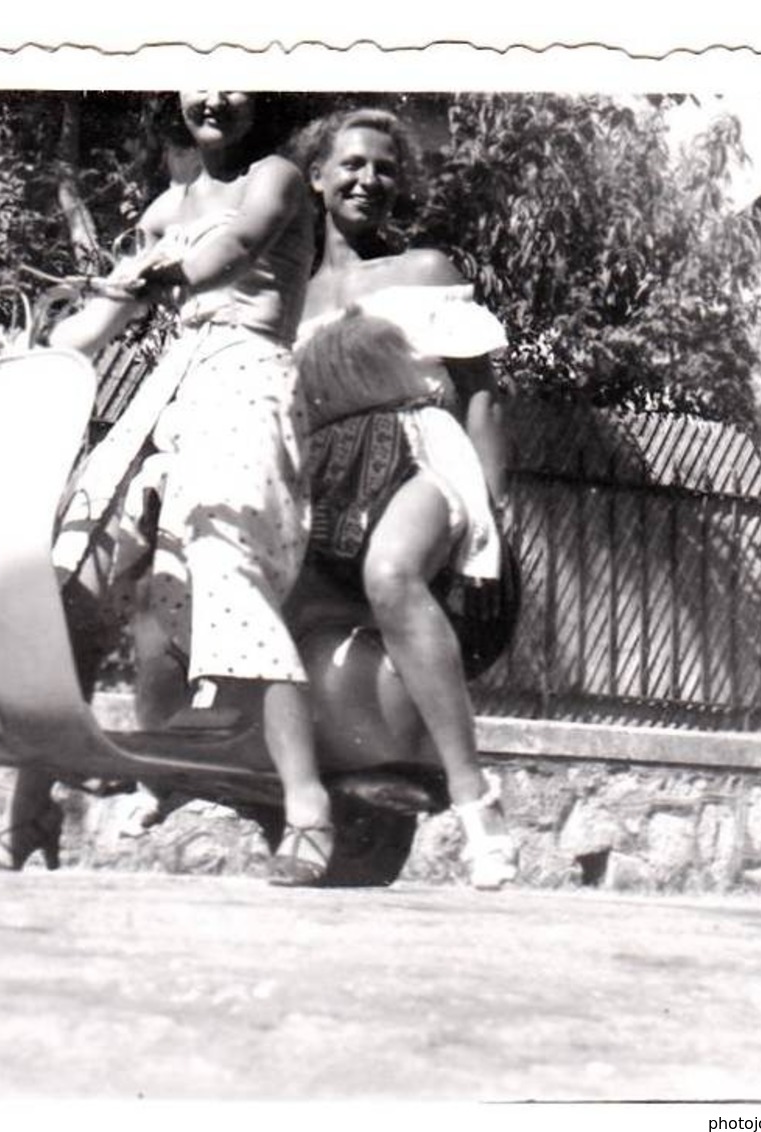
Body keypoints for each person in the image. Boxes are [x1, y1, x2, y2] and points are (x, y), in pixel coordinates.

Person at [3, 90, 333, 886]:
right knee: (76, 559)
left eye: (234, 79)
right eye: (198, 76)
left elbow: (233, 251)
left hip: (248, 379)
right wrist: (42, 346)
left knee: (226, 567)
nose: (214, 96)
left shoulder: (277, 178)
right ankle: (32, 806)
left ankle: (308, 808)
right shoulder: (164, 209)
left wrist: (153, 278)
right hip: (172, 386)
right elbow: (103, 318)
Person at [286, 106, 519, 890]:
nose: (368, 179)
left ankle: (472, 796)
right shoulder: (286, 297)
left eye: (384, 167)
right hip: (325, 476)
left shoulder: (424, 270)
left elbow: (480, 400)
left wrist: (491, 508)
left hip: (419, 454)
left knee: (391, 571)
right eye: (350, 164)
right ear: (315, 178)